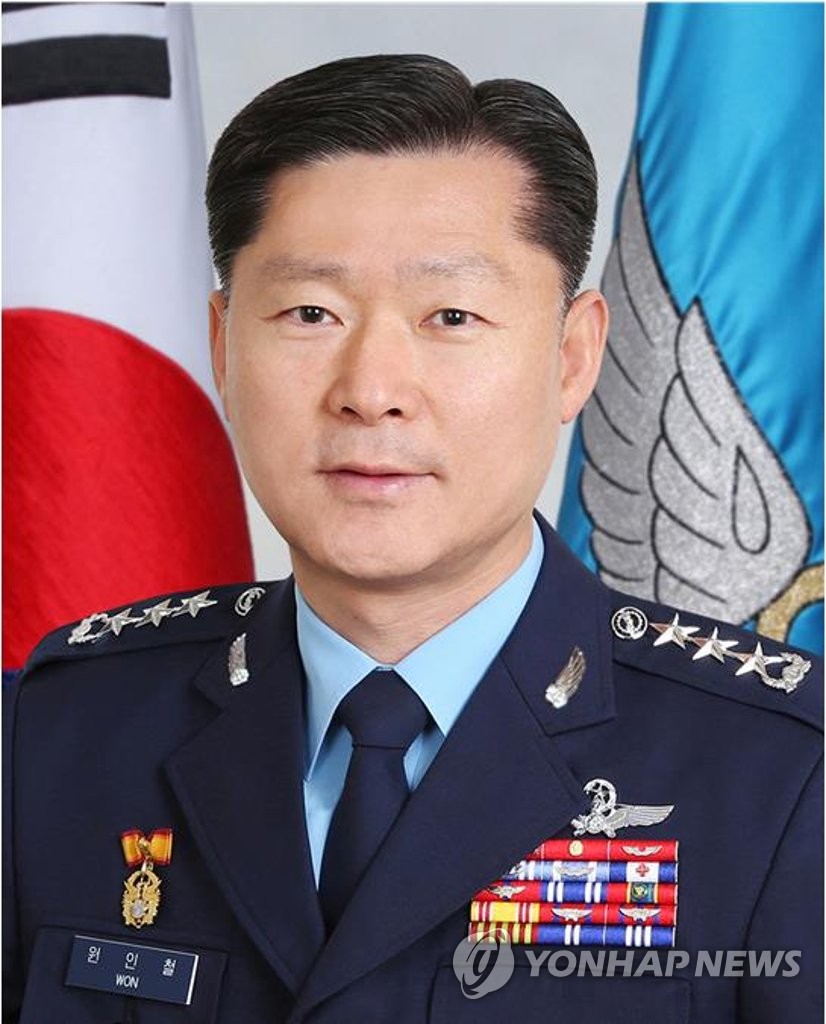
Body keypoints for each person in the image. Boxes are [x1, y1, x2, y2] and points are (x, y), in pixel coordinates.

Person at [4, 54, 821, 1023]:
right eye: (311, 312)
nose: (371, 389)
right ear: (223, 346)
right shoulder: (54, 736)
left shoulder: (780, 774)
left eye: (451, 316)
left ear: (572, 358)